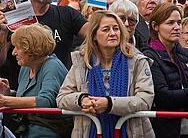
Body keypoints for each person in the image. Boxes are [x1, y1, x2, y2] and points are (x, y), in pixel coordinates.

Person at [0, 0, 89, 89]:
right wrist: (3, 31)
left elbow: (95, 35)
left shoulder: (67, 14)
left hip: (60, 94)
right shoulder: (8, 18)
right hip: (19, 96)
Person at [56, 10, 154, 138]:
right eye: (106, 30)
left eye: (116, 29)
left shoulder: (137, 61)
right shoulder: (81, 62)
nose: (113, 33)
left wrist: (110, 104)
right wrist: (81, 100)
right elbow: (62, 98)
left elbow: (145, 100)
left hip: (131, 132)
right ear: (94, 35)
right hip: (89, 131)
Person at [0, 24, 72, 138]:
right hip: (26, 132)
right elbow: (27, 97)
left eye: (18, 48)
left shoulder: (52, 66)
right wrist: (10, 93)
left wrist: (6, 101)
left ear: (32, 48)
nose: (13, 53)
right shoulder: (25, 68)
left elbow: (46, 101)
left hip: (50, 132)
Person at [142, 3, 188, 138]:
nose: (177, 27)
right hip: (164, 128)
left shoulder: (187, 54)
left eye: (179, 22)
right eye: (170, 23)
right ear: (155, 26)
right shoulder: (149, 56)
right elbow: (163, 96)